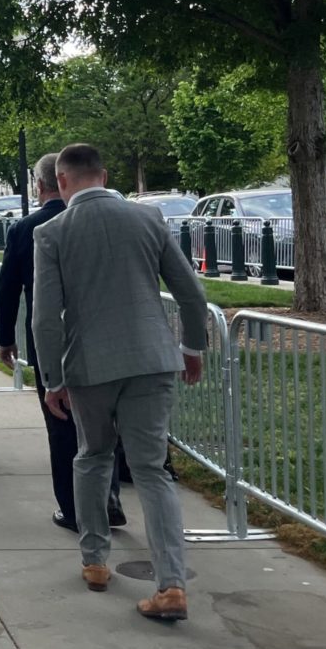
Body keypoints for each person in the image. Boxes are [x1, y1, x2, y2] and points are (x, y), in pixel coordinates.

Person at [33, 144, 207, 621]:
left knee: (92, 455)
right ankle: (171, 583)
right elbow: (191, 292)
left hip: (89, 365)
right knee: (152, 470)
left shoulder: (51, 233)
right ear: (105, 175)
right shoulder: (149, 218)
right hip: (153, 359)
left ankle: (94, 560)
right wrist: (192, 348)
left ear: (61, 182)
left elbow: (46, 318)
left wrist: (52, 379)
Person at [0, 155, 126, 532]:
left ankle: (73, 509)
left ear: (39, 186)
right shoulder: (96, 221)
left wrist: (5, 338)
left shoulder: (27, 229)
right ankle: (109, 498)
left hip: (51, 343)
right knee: (104, 427)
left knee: (62, 428)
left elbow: (8, 290)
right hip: (101, 339)